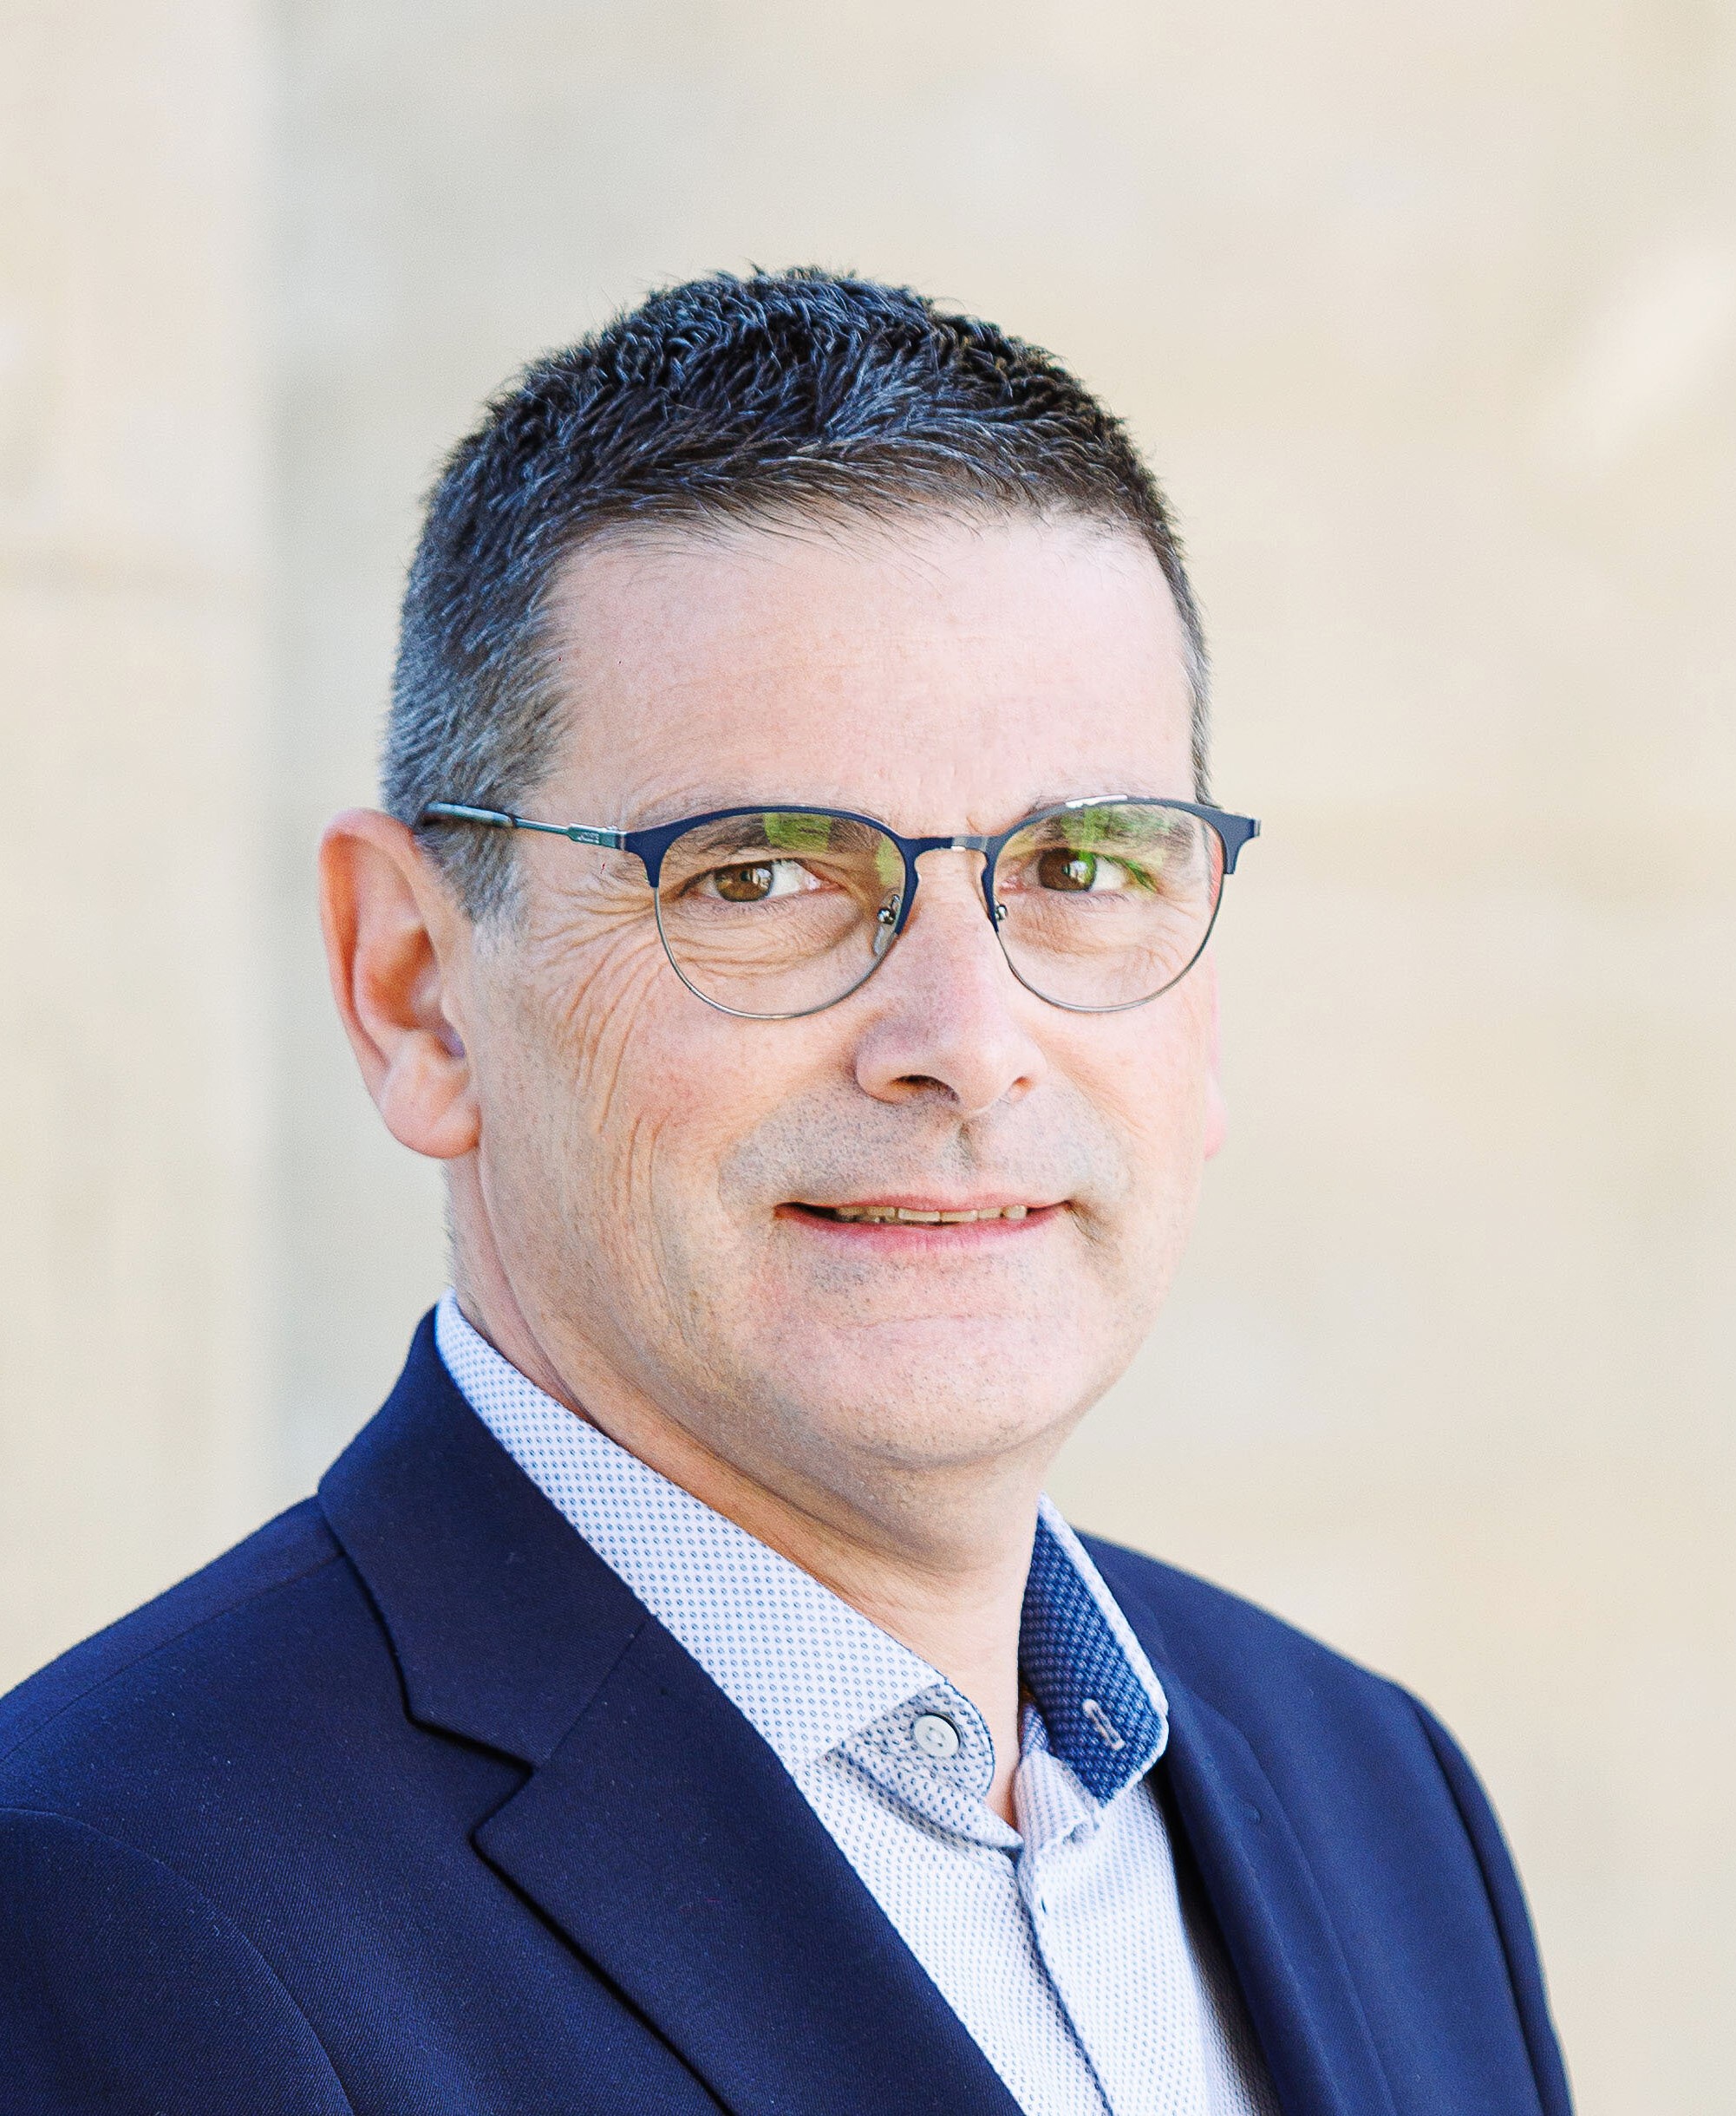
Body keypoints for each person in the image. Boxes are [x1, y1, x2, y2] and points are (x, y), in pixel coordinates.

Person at [0, 271, 1572, 2116]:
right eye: (756, 876)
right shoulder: (117, 1905)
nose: (965, 1042)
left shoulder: (1376, 1798)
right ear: (415, 988)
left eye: (1080, 865)